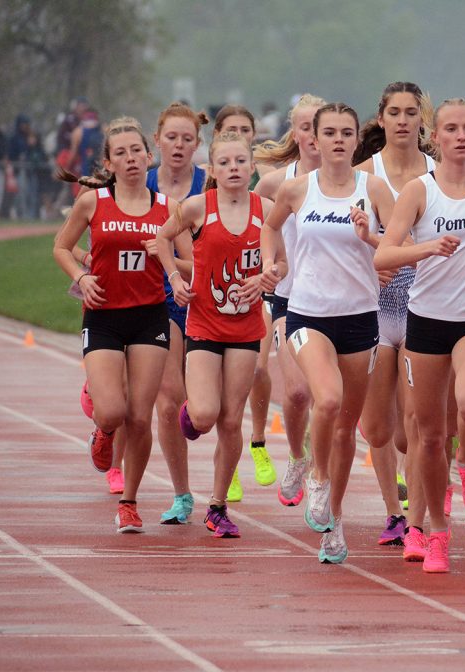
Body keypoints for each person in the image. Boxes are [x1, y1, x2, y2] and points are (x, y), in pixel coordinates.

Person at [375, 98, 465, 573]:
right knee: (428, 437)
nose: (461, 136)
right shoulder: (419, 191)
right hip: (427, 321)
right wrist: (427, 247)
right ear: (436, 137)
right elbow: (384, 257)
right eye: (452, 129)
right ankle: (437, 533)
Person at [260, 102, 394, 564]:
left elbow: (400, 247)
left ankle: (333, 522)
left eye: (346, 133)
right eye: (329, 132)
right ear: (314, 139)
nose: (338, 140)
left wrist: (371, 238)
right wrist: (272, 264)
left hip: (359, 319)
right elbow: (269, 227)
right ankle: (316, 477)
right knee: (329, 401)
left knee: (344, 432)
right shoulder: (297, 189)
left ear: (357, 140)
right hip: (307, 316)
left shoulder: (373, 188)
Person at [53, 117, 180, 533]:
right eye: (120, 153)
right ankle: (102, 430)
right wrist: (81, 276)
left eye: (136, 151)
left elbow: (192, 263)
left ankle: (129, 501)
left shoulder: (168, 209)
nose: (130, 159)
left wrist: (164, 255)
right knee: (112, 410)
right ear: (109, 162)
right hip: (104, 315)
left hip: (149, 316)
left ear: (149, 156)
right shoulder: (93, 202)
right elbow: (62, 246)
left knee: (140, 418)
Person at [157, 131, 275, 538]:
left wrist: (266, 277)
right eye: (224, 163)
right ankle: (191, 415)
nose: (234, 169)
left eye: (241, 162)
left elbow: (287, 259)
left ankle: (218, 505)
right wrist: (175, 277)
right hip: (205, 324)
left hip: (246, 327)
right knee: (205, 415)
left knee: (230, 420)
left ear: (253, 167)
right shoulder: (196, 208)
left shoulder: (267, 210)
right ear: (212, 170)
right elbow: (159, 238)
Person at [352, 81, 435, 548]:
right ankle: (393, 511)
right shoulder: (364, 175)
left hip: (426, 310)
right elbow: (346, 241)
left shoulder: (442, 174)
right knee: (379, 428)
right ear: (381, 119)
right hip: (376, 313)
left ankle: (419, 517)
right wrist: (371, 261)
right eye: (395, 112)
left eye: (411, 112)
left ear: (422, 119)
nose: (403, 120)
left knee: (413, 432)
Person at [252, 93, 326, 509]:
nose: (313, 134)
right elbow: (254, 226)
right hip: (289, 300)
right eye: (305, 126)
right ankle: (299, 457)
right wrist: (264, 265)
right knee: (298, 394)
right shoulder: (275, 183)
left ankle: (322, 472)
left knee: (332, 400)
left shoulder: (351, 180)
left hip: (340, 304)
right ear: (294, 133)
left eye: (321, 124)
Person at [143, 101, 210, 525]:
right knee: (168, 403)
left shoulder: (212, 183)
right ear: (158, 140)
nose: (179, 145)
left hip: (210, 298)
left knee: (205, 410)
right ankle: (182, 494)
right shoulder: (142, 184)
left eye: (187, 139)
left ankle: (222, 483)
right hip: (159, 300)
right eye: (172, 137)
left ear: (198, 144)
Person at [211, 105, 277, 495]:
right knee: (211, 399)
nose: (238, 134)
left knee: (254, 373)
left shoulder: (267, 183)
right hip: (212, 304)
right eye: (230, 130)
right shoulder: (205, 195)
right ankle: (227, 458)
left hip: (259, 299)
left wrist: (270, 270)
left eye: (245, 131)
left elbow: (284, 238)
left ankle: (255, 443)